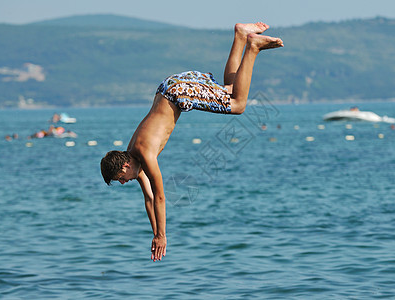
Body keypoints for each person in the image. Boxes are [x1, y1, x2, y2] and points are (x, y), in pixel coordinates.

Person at [100, 22, 283, 262]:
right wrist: (155, 234)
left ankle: (253, 47)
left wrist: (163, 236)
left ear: (124, 167)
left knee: (238, 105)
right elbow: (149, 199)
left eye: (120, 179)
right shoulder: (133, 154)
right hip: (170, 87)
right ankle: (240, 35)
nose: (124, 183)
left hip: (179, 92)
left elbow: (161, 197)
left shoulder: (145, 155)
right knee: (230, 89)